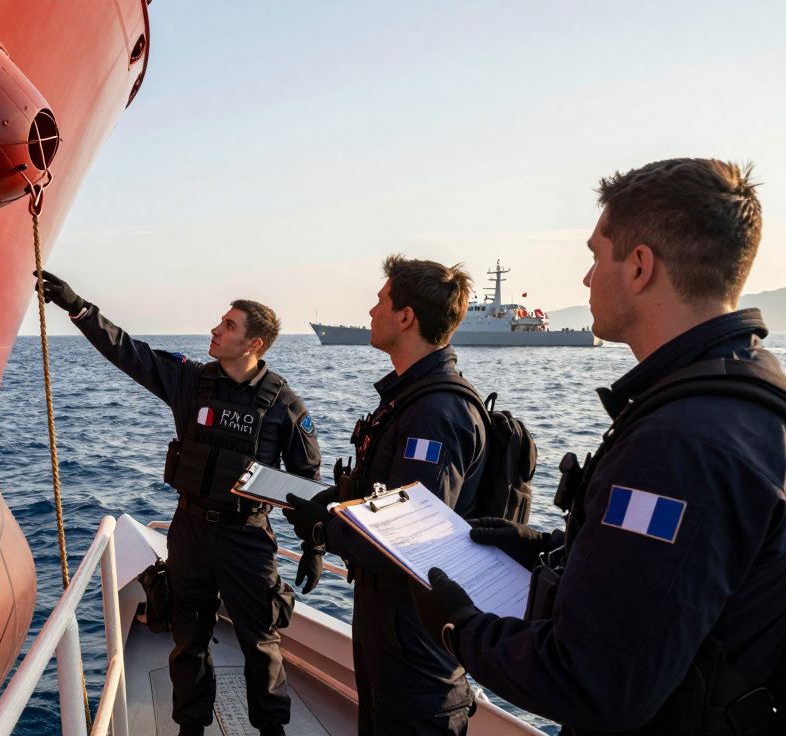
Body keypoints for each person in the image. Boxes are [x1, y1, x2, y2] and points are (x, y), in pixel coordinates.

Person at [409, 158, 786, 734]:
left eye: (594, 255)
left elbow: (594, 682)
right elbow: (693, 575)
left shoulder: (682, 444)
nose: (585, 280)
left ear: (638, 266)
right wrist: (547, 548)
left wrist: (457, 626)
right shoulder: (762, 399)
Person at [35, 271, 321, 736]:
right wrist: (78, 307)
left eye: (228, 325)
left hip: (245, 538)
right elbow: (128, 352)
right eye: (220, 322)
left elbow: (306, 483)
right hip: (189, 530)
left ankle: (272, 731)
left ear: (255, 343)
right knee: (188, 641)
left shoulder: (283, 405)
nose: (215, 329)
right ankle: (191, 729)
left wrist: (314, 548)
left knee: (260, 643)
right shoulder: (192, 382)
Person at [283, 255, 488, 735]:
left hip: (415, 636)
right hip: (386, 622)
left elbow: (410, 533)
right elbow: (386, 494)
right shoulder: (408, 400)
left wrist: (322, 528)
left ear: (406, 317)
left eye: (380, 302)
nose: (371, 313)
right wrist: (331, 503)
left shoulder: (436, 412)